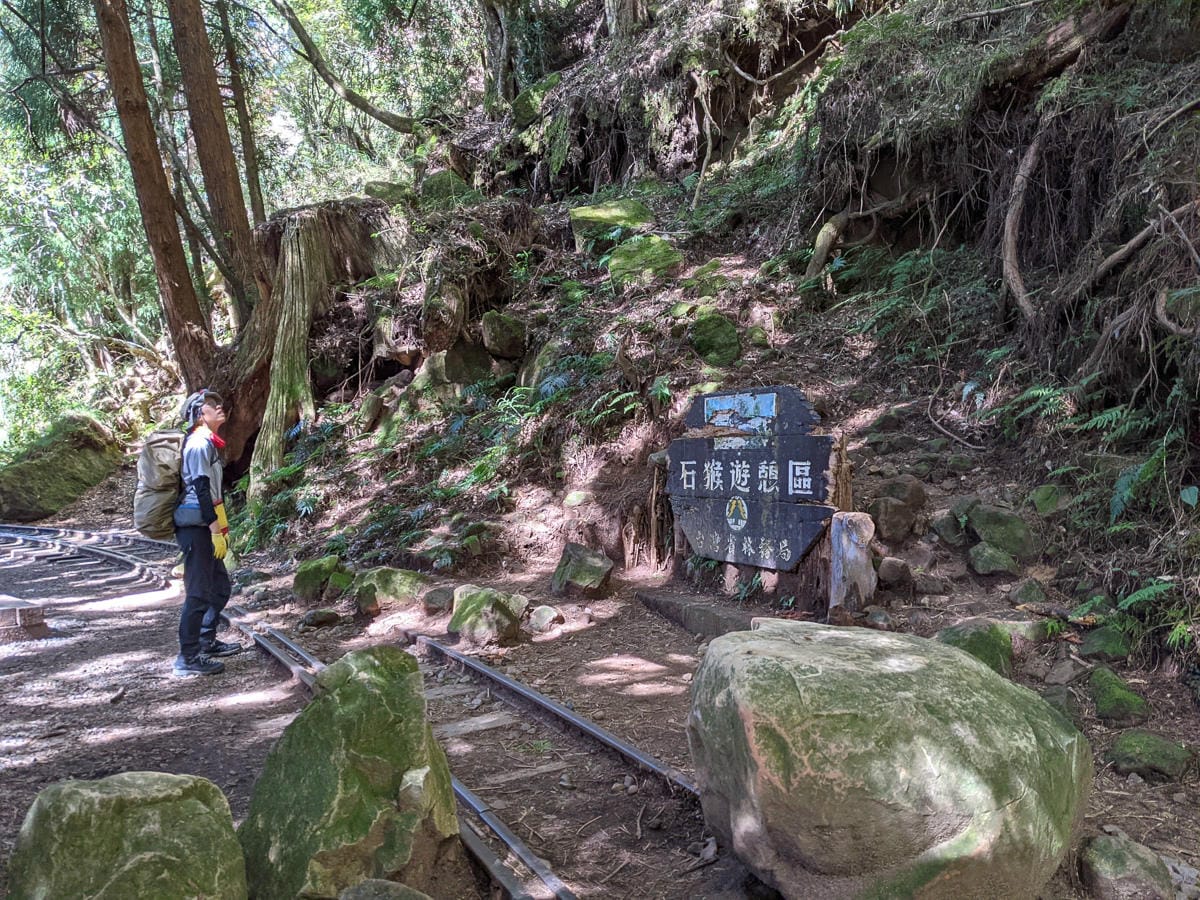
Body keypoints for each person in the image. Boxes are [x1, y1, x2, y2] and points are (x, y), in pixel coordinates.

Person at [173, 389, 242, 676]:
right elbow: (201, 489)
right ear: (201, 414)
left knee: (219, 588)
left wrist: (220, 528)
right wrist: (214, 527)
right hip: (197, 528)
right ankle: (187, 659)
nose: (220, 407)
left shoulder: (208, 443)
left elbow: (213, 492)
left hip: (206, 526)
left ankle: (206, 641)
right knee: (199, 593)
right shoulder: (198, 444)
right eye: (212, 405)